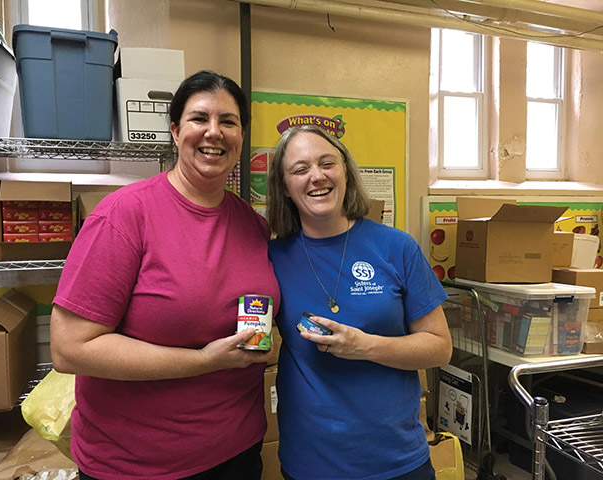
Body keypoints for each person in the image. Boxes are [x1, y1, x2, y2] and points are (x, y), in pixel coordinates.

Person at [50, 71, 280, 480]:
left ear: (242, 136)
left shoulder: (252, 224)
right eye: (199, 119)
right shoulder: (123, 216)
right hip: (136, 466)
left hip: (237, 453)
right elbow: (69, 349)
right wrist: (202, 361)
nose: (215, 132)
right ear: (175, 131)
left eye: (228, 121)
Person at [267, 124, 452, 480]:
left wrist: (363, 346)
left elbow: (440, 348)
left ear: (346, 172)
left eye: (327, 163)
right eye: (300, 169)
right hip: (311, 463)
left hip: (397, 460)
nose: (316, 177)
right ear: (285, 187)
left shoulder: (396, 247)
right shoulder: (271, 257)